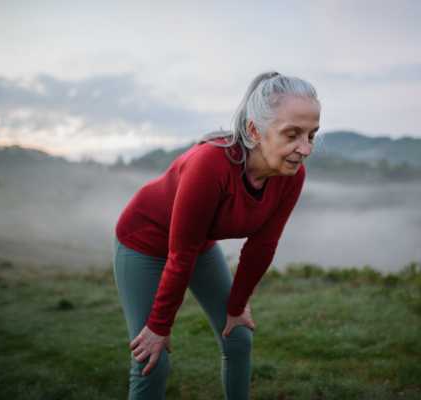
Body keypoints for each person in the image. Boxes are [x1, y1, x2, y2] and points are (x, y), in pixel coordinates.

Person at [113, 71, 321, 399]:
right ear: (254, 130)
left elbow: (263, 246)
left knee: (238, 337)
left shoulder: (290, 173)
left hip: (196, 245)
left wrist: (237, 306)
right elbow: (179, 255)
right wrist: (159, 326)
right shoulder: (210, 165)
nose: (305, 148)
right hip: (145, 240)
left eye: (311, 134)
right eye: (292, 134)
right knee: (151, 357)